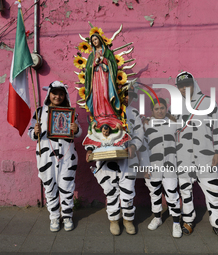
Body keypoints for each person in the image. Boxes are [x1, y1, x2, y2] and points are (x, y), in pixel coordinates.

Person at [172, 71, 218, 244]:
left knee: (213, 193)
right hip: (183, 157)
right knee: (185, 192)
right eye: (181, 86)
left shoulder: (207, 102)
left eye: (187, 85)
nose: (185, 89)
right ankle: (189, 219)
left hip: (206, 156)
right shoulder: (176, 106)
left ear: (194, 84)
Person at [85, 88, 143, 236]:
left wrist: (134, 146)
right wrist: (90, 150)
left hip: (127, 160)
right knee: (110, 192)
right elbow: (92, 134)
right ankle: (114, 220)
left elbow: (139, 132)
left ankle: (128, 219)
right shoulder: (100, 113)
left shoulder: (133, 112)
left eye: (126, 95)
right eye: (120, 94)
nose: (124, 98)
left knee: (128, 191)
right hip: (105, 161)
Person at [28, 81, 82, 232]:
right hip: (46, 156)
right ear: (49, 94)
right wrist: (35, 132)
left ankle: (67, 216)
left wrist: (76, 129)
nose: (57, 96)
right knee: (49, 186)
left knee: (67, 187)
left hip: (67, 155)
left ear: (65, 95)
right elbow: (30, 132)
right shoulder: (39, 112)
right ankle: (54, 216)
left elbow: (79, 133)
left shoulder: (71, 113)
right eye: (54, 93)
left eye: (61, 93)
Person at [143, 98, 182, 238]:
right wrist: (145, 168)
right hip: (153, 167)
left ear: (166, 108)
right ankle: (157, 218)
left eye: (162, 108)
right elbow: (144, 148)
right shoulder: (147, 125)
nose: (160, 111)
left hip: (171, 166)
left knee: (172, 193)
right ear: (152, 111)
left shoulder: (174, 123)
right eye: (156, 109)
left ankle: (176, 223)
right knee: (155, 193)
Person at [84, 33, 123, 129]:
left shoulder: (108, 52)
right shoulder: (91, 55)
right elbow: (88, 69)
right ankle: (98, 115)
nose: (95, 42)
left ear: (100, 40)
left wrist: (105, 60)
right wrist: (95, 63)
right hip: (96, 79)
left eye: (96, 39)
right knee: (98, 95)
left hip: (106, 78)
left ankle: (110, 114)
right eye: (93, 41)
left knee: (106, 94)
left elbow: (113, 65)